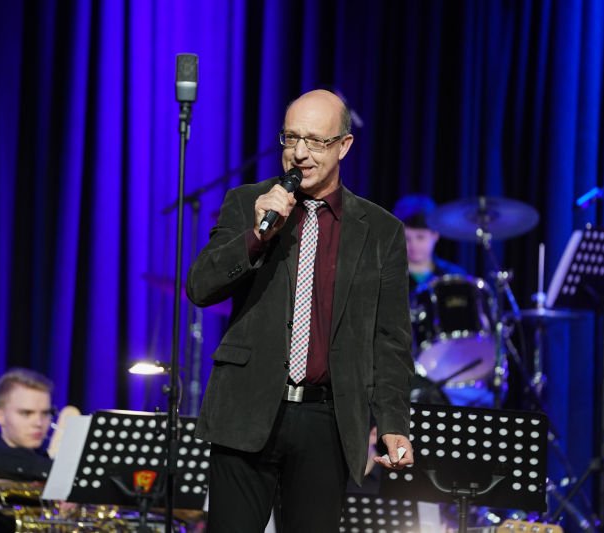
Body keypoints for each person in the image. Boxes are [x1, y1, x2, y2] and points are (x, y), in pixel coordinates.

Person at [187, 89, 415, 532]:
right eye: (291, 139)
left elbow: (390, 339)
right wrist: (256, 234)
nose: (300, 153)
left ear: (344, 146)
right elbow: (200, 287)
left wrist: (392, 422)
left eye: (316, 141)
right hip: (246, 410)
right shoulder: (247, 202)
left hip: (325, 420)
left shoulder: (381, 231)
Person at [393, 195, 495, 408]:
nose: (413, 246)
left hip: (452, 371)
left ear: (435, 235)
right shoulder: (389, 275)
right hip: (403, 369)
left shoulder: (453, 277)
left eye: (420, 237)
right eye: (407, 238)